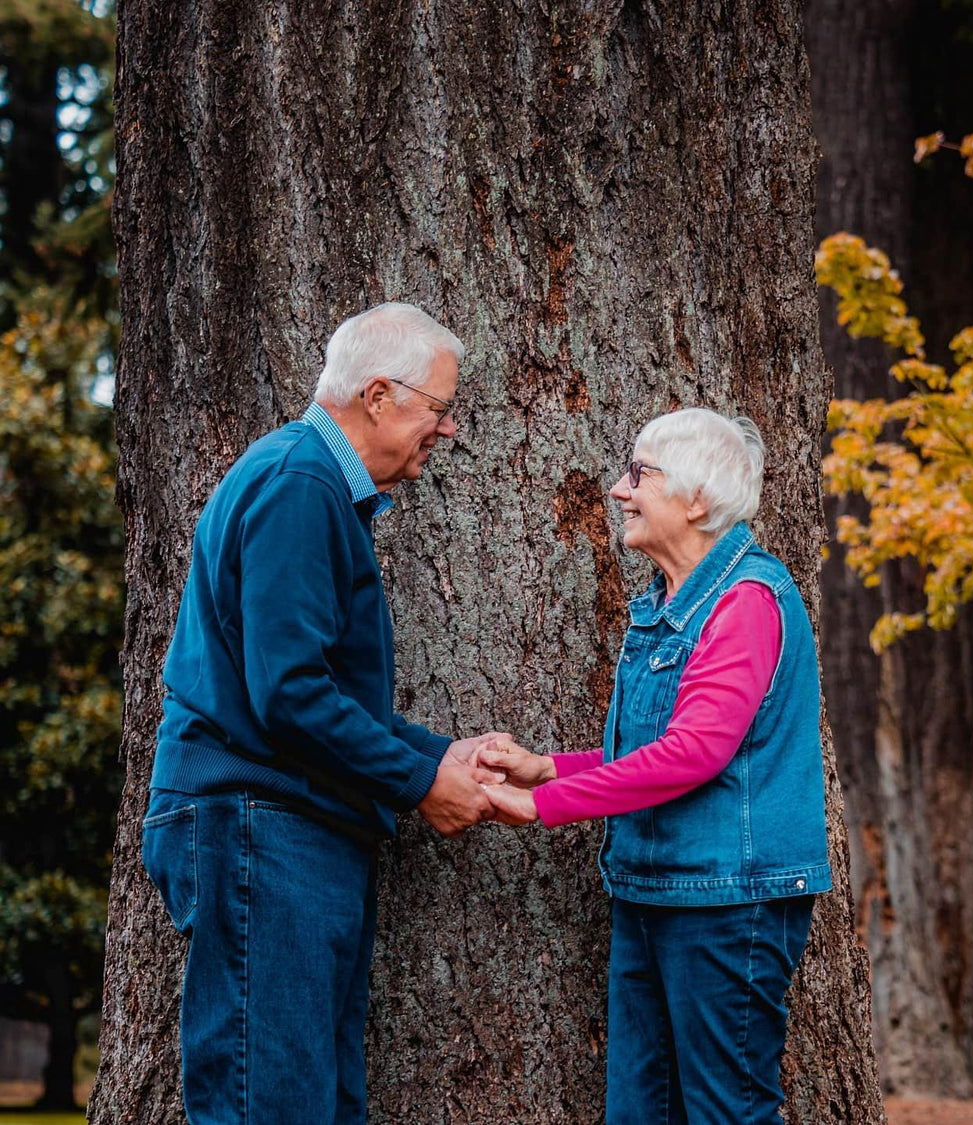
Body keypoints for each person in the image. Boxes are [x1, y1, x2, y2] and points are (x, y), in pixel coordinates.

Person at [140, 302, 506, 1125]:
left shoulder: (315, 488)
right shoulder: (300, 483)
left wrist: (451, 757)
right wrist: (420, 782)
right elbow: (290, 698)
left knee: (318, 1104)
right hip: (260, 830)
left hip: (288, 829)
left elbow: (315, 692)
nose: (444, 432)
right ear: (378, 394)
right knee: (274, 1107)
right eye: (439, 409)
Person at [484, 407, 831, 1125]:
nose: (619, 490)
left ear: (697, 499)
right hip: (657, 893)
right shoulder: (670, 602)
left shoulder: (744, 602)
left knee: (724, 1114)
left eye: (639, 473)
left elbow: (695, 753)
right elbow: (656, 749)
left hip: (727, 906)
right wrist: (550, 769)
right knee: (640, 1112)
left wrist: (545, 807)